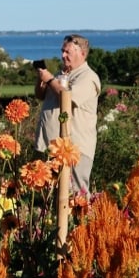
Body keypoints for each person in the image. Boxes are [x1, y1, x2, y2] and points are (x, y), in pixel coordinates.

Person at [34, 34, 102, 195]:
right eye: (62, 51)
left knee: (75, 197)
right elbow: (40, 96)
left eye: (68, 52)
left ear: (82, 54)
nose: (63, 55)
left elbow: (68, 98)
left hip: (74, 151)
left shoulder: (88, 77)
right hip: (51, 148)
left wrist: (50, 80)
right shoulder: (62, 74)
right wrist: (41, 80)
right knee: (49, 199)